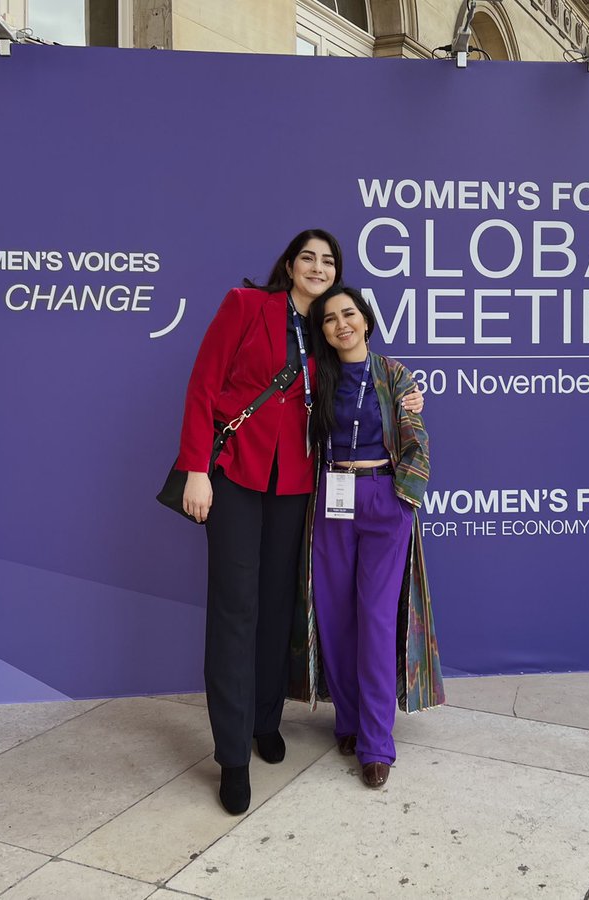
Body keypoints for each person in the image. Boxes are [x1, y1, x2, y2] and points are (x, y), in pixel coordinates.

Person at [174, 232, 423, 814]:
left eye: (328, 261)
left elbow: (372, 386)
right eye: (307, 257)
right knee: (236, 611)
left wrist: (408, 397)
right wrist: (195, 469)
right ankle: (232, 756)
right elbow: (203, 385)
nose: (317, 267)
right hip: (233, 474)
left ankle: (265, 721)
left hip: (298, 488)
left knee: (278, 608)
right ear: (288, 265)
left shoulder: (326, 334)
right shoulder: (246, 305)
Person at [290, 283, 445, 789]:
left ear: (366, 318)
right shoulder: (318, 376)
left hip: (384, 500)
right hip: (332, 499)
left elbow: (415, 438)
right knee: (335, 618)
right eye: (330, 318)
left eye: (349, 313)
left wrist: (405, 498)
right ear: (324, 331)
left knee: (376, 620)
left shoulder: (395, 374)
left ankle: (378, 743)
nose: (341, 324)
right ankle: (349, 722)